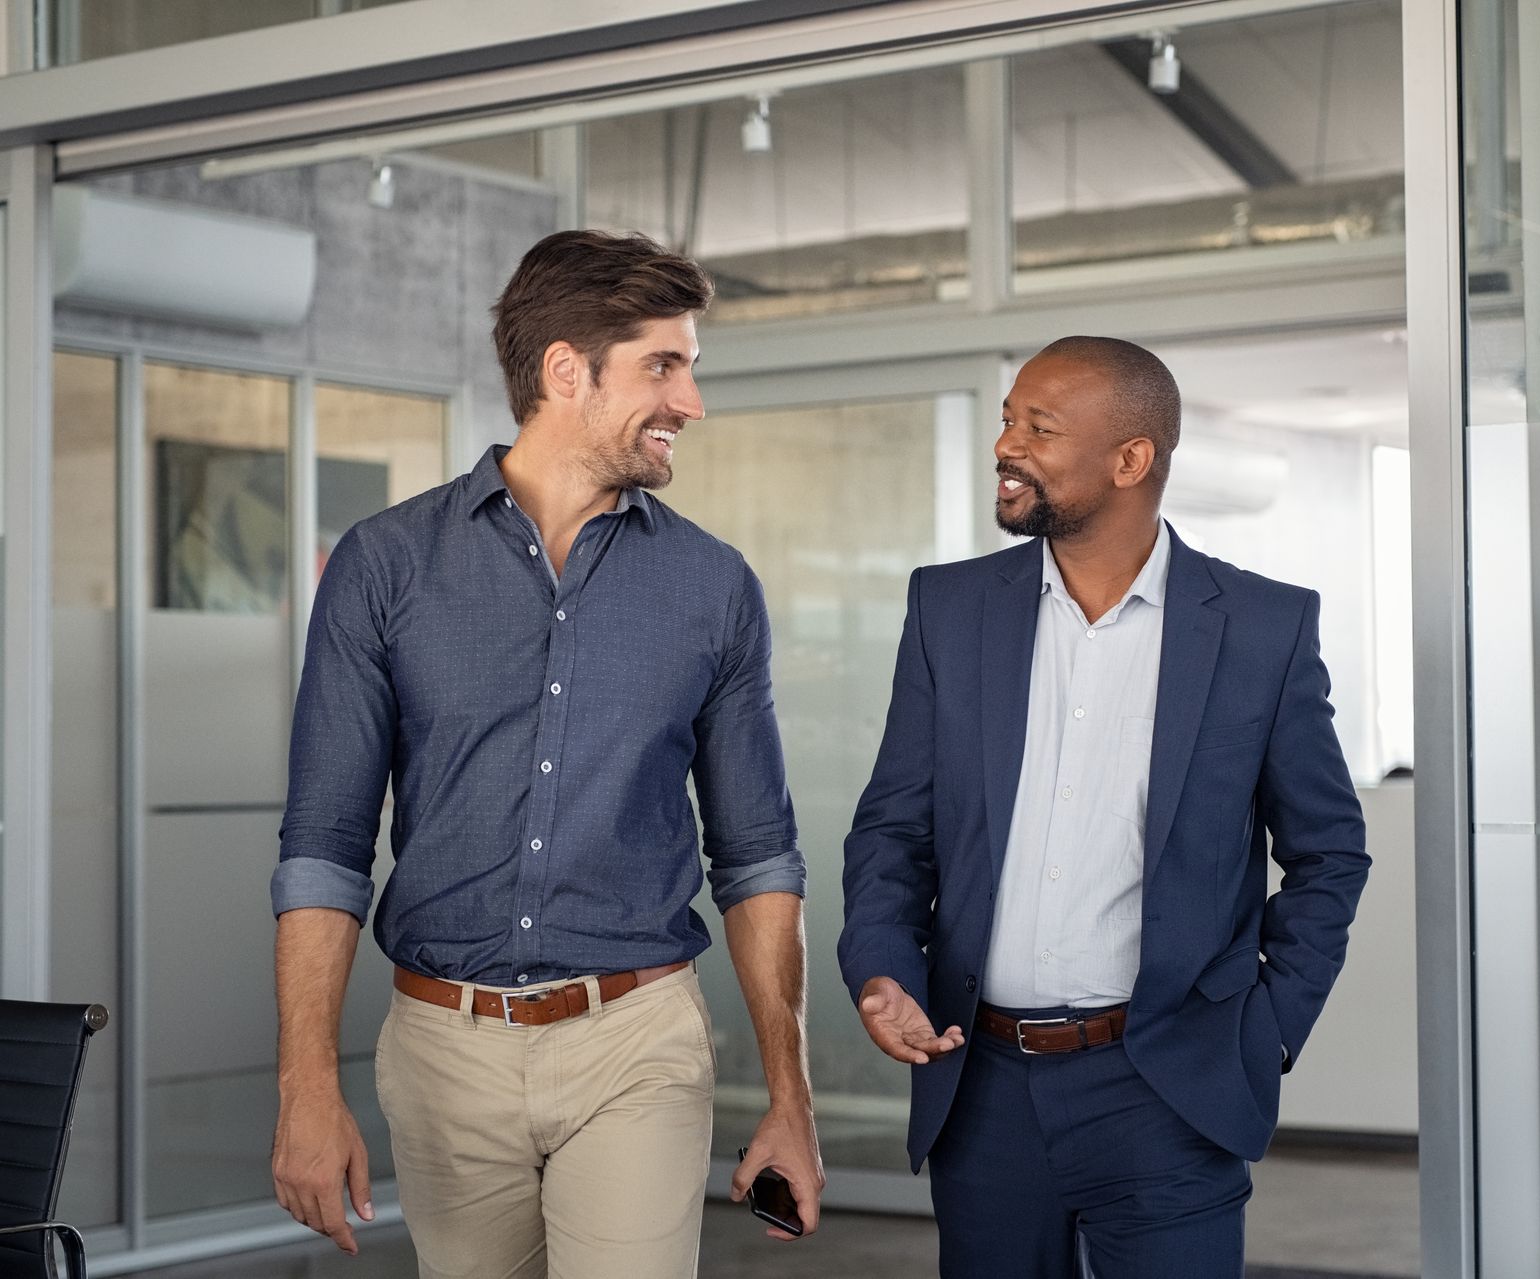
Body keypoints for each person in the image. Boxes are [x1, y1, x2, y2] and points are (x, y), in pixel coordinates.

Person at [269, 229, 823, 1278]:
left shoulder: (714, 588)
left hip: (637, 1037)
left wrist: (790, 1100)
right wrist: (304, 1084)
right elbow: (324, 848)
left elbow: (757, 857)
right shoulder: (385, 567)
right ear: (566, 370)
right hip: (442, 1047)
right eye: (664, 366)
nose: (690, 403)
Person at [839, 336, 1369, 1278]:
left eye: (1038, 427)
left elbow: (1328, 852)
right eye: (1008, 417)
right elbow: (893, 826)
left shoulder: (1261, 627)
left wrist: (1268, 1026)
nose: (1006, 443)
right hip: (984, 1084)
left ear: (1132, 460)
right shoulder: (949, 609)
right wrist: (884, 969)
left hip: (1169, 1083)